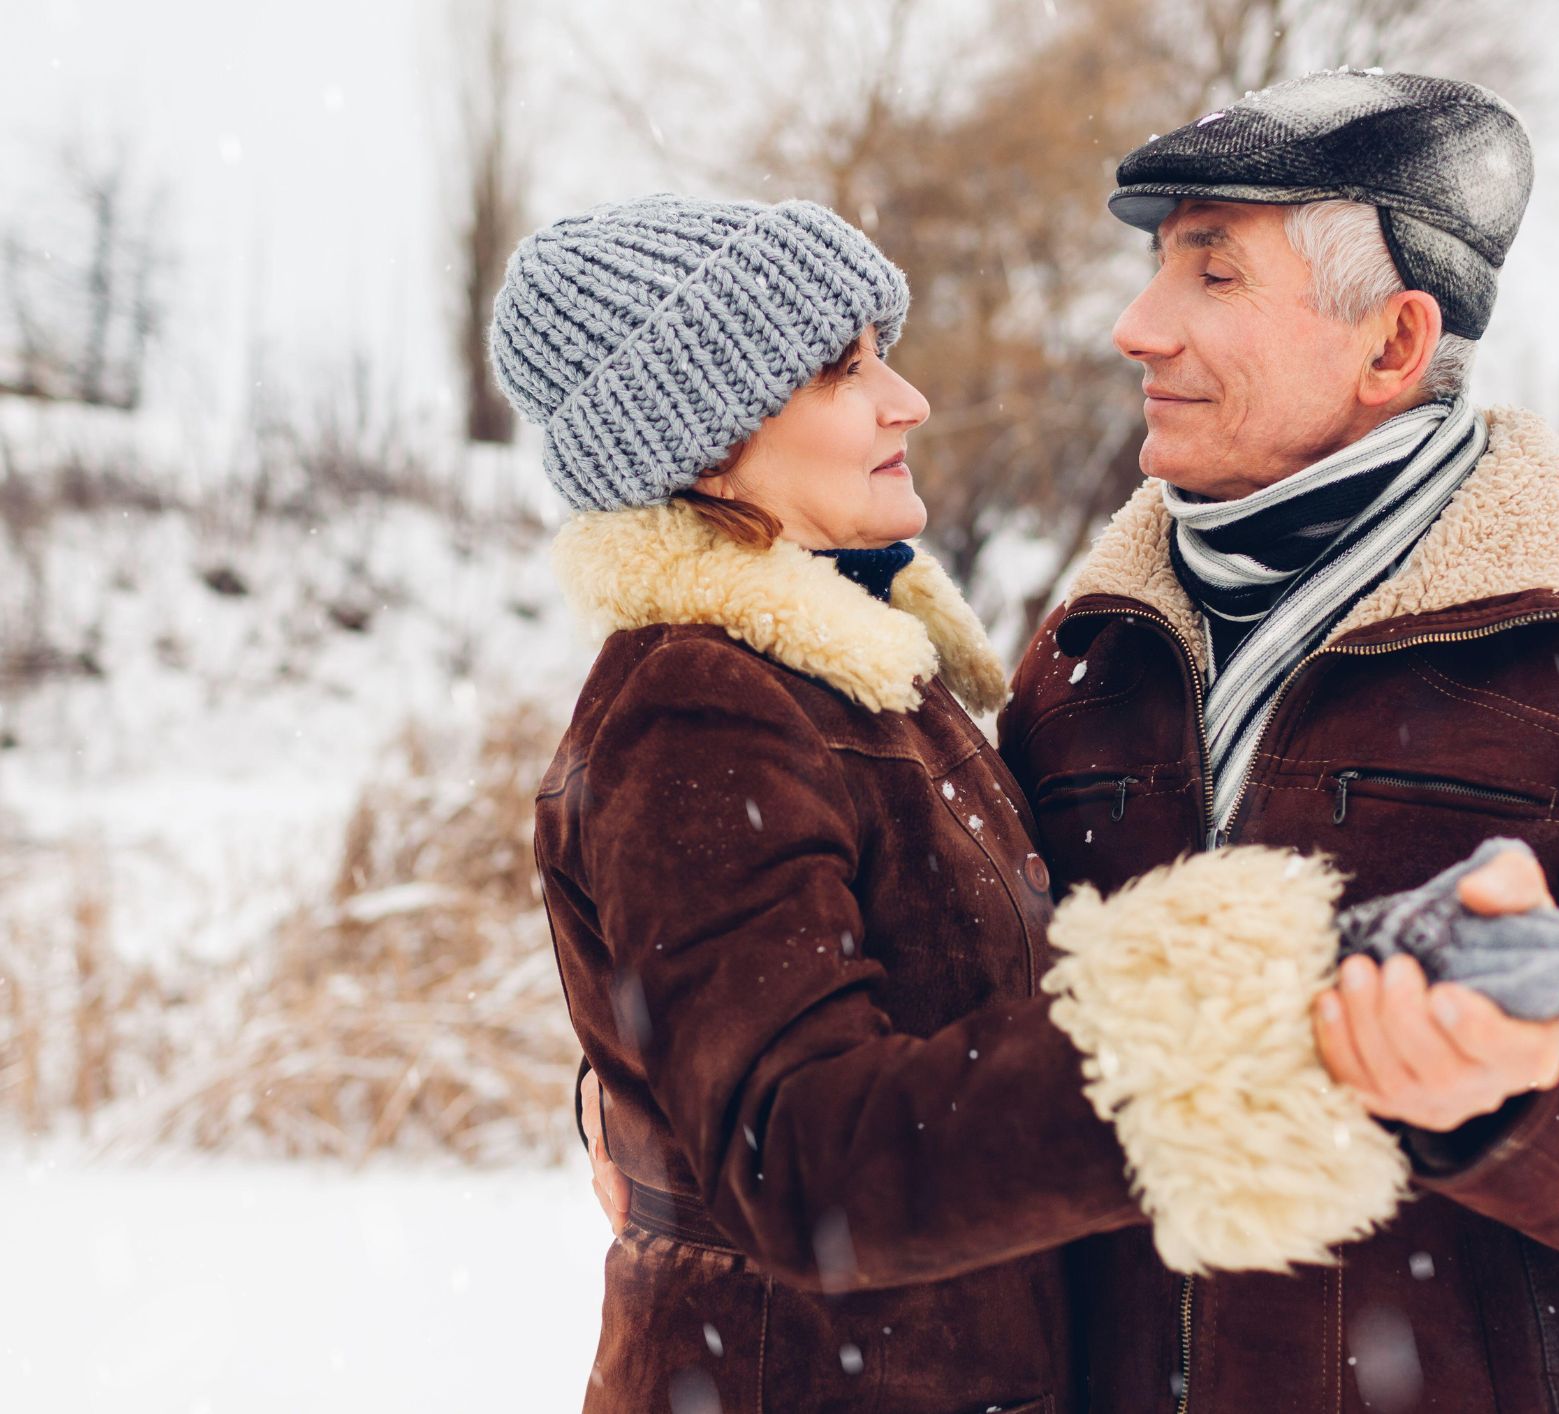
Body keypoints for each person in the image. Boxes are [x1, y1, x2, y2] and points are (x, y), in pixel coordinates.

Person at [998, 70, 1559, 1411]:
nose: (1139, 328)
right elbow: (955, 1007)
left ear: (1391, 343)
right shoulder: (1088, 651)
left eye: (1213, 276)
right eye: (1154, 272)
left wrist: (1550, 1078)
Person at [488, 194, 1411, 1412]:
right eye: (842, 371)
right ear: (702, 438)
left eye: (885, 355)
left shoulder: (851, 675)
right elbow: (802, 1159)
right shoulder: (701, 707)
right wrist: (1159, 1043)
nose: (904, 399)